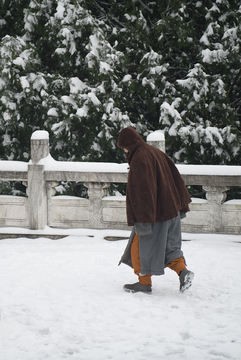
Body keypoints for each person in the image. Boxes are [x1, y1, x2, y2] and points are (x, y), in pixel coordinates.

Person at [117, 127, 194, 293]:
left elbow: (141, 191)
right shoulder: (155, 152)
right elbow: (175, 176)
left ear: (129, 144)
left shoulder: (139, 158)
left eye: (123, 146)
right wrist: (180, 205)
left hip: (154, 214)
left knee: (139, 246)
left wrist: (142, 220)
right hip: (171, 210)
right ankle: (183, 272)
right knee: (169, 247)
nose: (124, 150)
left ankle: (144, 283)